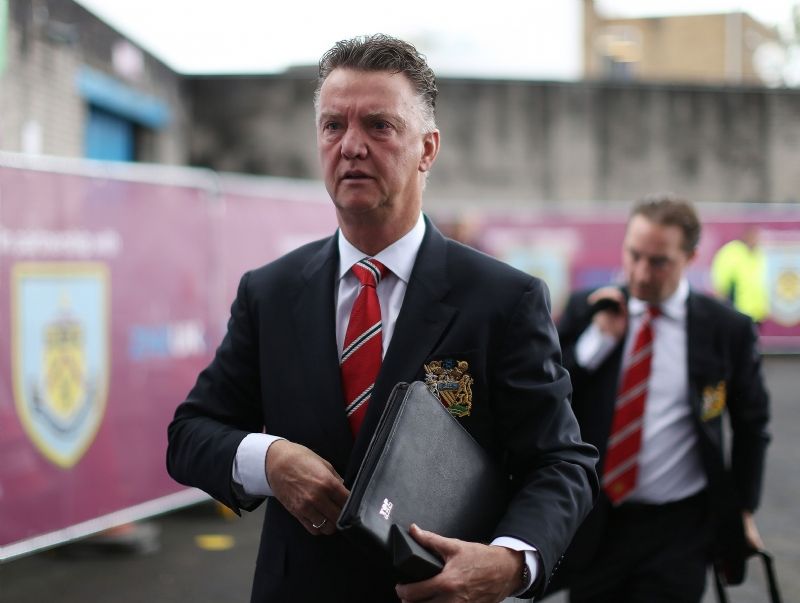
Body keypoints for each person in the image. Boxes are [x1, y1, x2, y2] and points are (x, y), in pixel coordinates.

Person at [166, 34, 598, 603]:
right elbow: (190, 435)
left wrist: (510, 562)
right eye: (333, 126)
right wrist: (270, 460)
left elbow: (561, 461)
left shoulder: (503, 299)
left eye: (378, 125)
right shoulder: (269, 292)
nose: (351, 146)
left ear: (427, 149)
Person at [552, 195, 771, 602]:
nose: (640, 273)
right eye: (634, 255)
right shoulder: (590, 308)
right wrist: (596, 343)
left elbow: (752, 424)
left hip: (678, 531)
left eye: (659, 262)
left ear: (691, 258)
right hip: (596, 522)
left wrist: (743, 509)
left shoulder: (725, 329)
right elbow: (549, 397)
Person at [710, 225, 769, 324]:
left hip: (756, 315)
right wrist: (726, 310)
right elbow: (720, 286)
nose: (756, 240)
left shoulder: (759, 254)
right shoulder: (731, 252)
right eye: (754, 237)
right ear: (746, 236)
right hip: (737, 313)